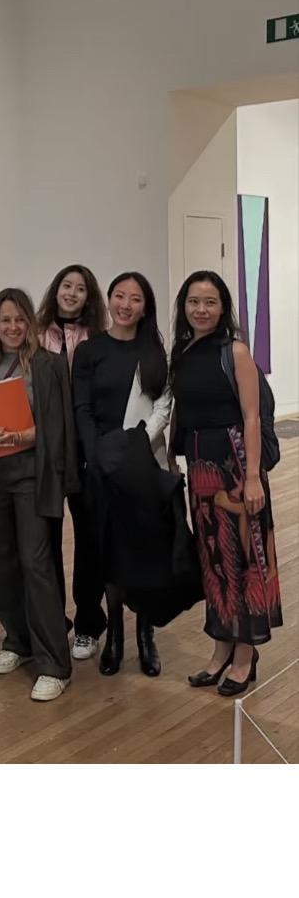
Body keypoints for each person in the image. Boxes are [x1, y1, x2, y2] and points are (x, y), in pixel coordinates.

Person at [0, 288, 79, 701]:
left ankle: (55, 663)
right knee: (0, 561)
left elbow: (58, 425)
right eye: (5, 320)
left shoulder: (47, 365)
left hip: (32, 476)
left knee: (36, 563)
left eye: (20, 320)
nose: (12, 327)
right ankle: (17, 639)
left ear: (31, 322)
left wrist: (22, 436)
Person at [169, 270, 281, 696]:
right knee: (213, 559)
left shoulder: (235, 351)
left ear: (223, 308)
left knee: (244, 559)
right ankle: (220, 650)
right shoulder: (181, 352)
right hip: (200, 467)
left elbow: (251, 416)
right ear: (184, 306)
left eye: (210, 302)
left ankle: (244, 657)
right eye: (194, 301)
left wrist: (253, 477)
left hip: (234, 463)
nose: (201, 309)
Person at [72, 271, 172, 677]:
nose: (125, 305)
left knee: (144, 551)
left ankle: (146, 635)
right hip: (101, 467)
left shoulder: (155, 352)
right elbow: (82, 408)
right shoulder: (90, 350)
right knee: (109, 551)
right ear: (109, 299)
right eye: (119, 295)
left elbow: (163, 407)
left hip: (144, 464)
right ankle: (114, 632)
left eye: (135, 298)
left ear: (145, 307)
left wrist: (135, 447)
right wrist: (97, 453)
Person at [37, 264, 107, 661]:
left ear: (89, 297)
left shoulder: (97, 338)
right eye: (67, 285)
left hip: (84, 451)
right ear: (56, 289)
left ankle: (88, 623)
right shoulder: (36, 335)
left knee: (89, 539)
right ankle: (52, 620)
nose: (72, 293)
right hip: (45, 450)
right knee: (45, 539)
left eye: (81, 288)